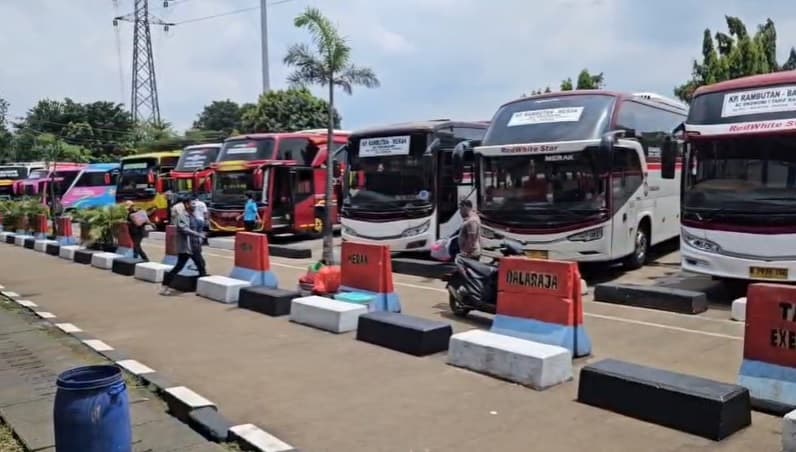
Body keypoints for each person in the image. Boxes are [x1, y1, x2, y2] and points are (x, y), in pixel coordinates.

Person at [160, 197, 208, 296]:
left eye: (194, 204)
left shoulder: (193, 215)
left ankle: (202, 289)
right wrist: (198, 234)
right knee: (179, 267)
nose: (194, 206)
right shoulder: (182, 216)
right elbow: (184, 229)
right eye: (192, 204)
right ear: (186, 205)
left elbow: (198, 226)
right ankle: (164, 287)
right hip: (186, 248)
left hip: (194, 246)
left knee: (201, 265)